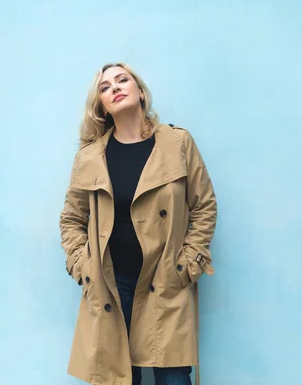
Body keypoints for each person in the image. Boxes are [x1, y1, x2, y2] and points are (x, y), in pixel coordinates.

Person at [59, 62, 217, 385]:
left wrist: (186, 265)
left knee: (174, 378)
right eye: (105, 87)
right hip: (113, 288)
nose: (115, 87)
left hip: (165, 282)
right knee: (119, 379)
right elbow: (72, 220)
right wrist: (84, 269)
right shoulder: (90, 158)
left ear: (140, 92)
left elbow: (204, 206)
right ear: (101, 107)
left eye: (122, 80)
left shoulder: (178, 144)